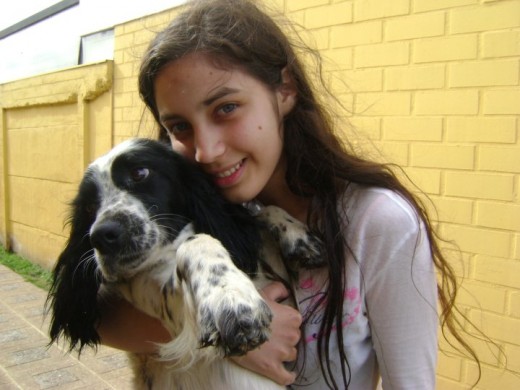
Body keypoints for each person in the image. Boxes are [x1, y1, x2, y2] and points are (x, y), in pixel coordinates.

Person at [98, 0, 479, 388]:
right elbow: (99, 318)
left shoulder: (377, 222)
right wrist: (224, 335)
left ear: (285, 89)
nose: (205, 151)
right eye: (179, 127)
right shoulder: (196, 205)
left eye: (226, 108)